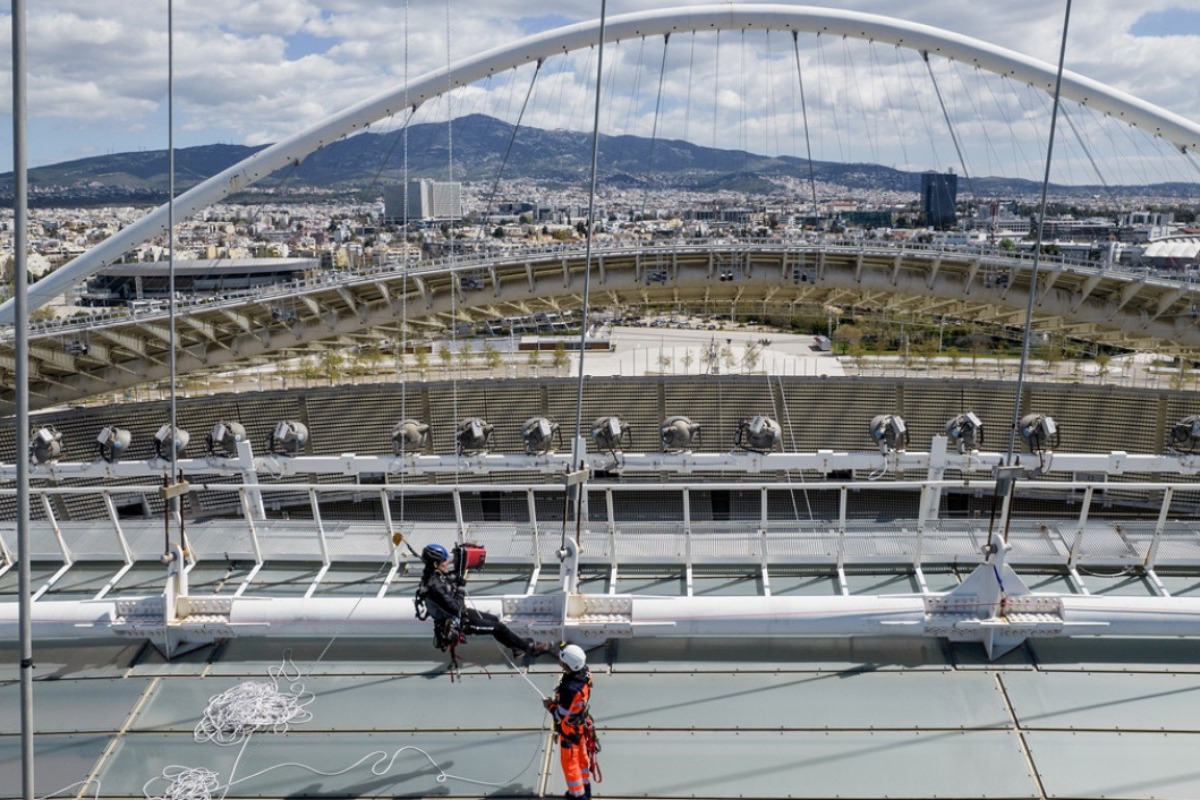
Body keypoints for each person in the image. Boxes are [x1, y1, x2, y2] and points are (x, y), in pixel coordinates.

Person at [414, 543, 550, 659]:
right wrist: (460, 588)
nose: (447, 562)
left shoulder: (434, 576)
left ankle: (516, 647)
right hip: (460, 624)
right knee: (499, 628)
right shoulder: (433, 586)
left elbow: (448, 582)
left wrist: (459, 570)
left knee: (493, 619)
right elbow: (455, 608)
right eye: (445, 560)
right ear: (435, 564)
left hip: (461, 616)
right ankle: (530, 648)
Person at [544, 644, 595, 799]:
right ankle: (585, 791)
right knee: (582, 760)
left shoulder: (570, 689)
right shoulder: (585, 672)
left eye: (562, 660)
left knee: (571, 766)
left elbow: (561, 715)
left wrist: (549, 706)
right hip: (580, 727)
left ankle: (578, 795)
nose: (559, 662)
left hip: (570, 732)